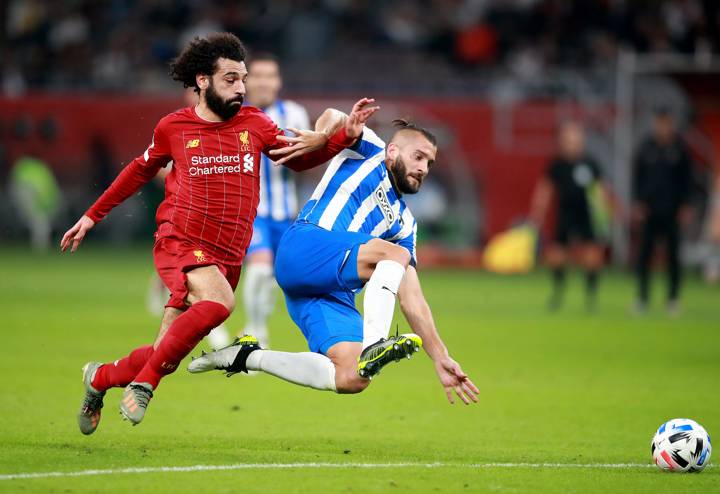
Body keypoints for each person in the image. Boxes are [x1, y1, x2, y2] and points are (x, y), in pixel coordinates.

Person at [64, 32, 378, 432]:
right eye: (231, 79)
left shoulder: (255, 123)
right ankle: (145, 385)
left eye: (243, 79)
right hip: (180, 242)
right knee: (220, 303)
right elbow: (139, 169)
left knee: (168, 350)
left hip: (228, 254)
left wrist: (342, 137)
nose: (241, 88)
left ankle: (100, 377)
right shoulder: (173, 128)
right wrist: (93, 215)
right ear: (202, 80)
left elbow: (297, 159)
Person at [188, 116, 479, 405]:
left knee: (353, 377)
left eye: (429, 163)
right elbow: (335, 116)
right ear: (393, 151)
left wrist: (440, 356)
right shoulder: (372, 150)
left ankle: (245, 357)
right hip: (305, 246)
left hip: (329, 291)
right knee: (396, 256)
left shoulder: (405, 225)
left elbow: (412, 299)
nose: (423, 168)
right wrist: (322, 134)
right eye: (418, 157)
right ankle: (374, 344)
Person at [240, 52, 311, 349]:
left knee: (276, 279)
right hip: (251, 211)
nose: (264, 82)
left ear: (278, 81)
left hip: (286, 212)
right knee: (258, 269)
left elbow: (307, 159)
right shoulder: (234, 115)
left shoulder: (294, 115)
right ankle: (256, 332)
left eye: (270, 76)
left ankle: (258, 326)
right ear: (246, 81)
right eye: (258, 76)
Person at [530, 120, 615, 311]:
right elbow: (545, 188)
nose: (572, 143)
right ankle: (558, 291)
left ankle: (590, 296)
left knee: (592, 256)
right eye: (568, 140)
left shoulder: (591, 163)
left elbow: (600, 189)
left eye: (575, 139)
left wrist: (605, 212)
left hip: (587, 216)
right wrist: (538, 212)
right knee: (557, 256)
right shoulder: (557, 164)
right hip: (565, 214)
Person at [632, 108, 694, 314]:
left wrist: (686, 205)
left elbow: (688, 181)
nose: (663, 128)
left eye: (667, 123)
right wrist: (638, 203)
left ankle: (673, 299)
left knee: (673, 256)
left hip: (672, 211)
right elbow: (637, 178)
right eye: (660, 123)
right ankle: (642, 298)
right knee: (645, 255)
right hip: (649, 211)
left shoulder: (680, 150)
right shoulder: (645, 148)